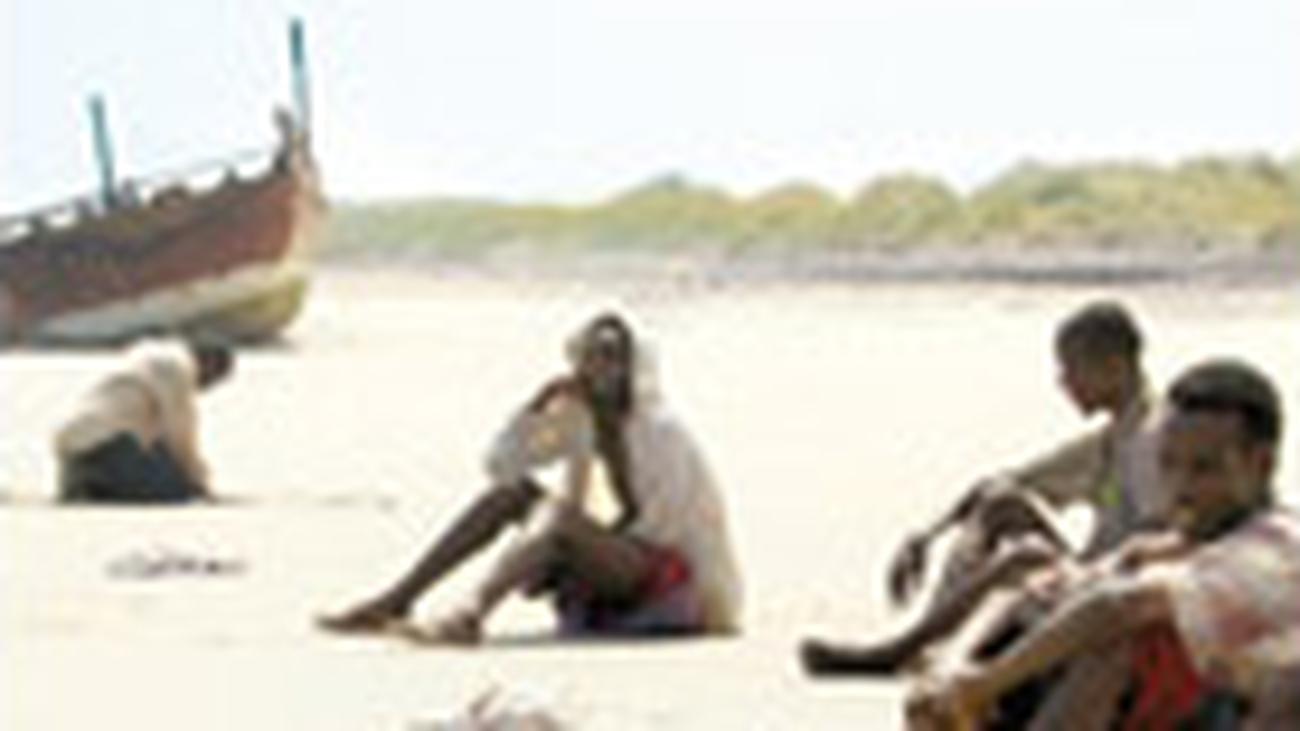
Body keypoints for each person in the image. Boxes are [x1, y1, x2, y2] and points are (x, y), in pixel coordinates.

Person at [912, 359, 1300, 730]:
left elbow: (1122, 604)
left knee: (1121, 644)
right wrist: (955, 666)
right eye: (1169, 464)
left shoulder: (1274, 549)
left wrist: (983, 685)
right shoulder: (1191, 538)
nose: (1181, 488)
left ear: (1262, 465)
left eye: (1204, 470)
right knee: (1045, 610)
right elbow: (1036, 588)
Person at [319, 312, 742, 642]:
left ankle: (469, 613)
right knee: (512, 496)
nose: (600, 367)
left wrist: (564, 550)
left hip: (668, 577)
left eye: (612, 356)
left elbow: (661, 531)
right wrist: (534, 410)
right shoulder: (580, 421)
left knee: (556, 516)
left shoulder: (659, 430)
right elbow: (501, 466)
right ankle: (397, 600)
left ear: (632, 367)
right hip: (613, 554)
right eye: (591, 356)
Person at [803, 301, 1171, 675]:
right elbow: (1001, 483)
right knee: (1002, 504)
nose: (1064, 384)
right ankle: (931, 636)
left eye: (1072, 370)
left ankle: (901, 652)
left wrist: (1086, 573)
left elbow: (1157, 538)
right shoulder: (1113, 437)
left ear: (1113, 367)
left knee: (1026, 555)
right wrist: (926, 536)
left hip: (1115, 585)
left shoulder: (1153, 440)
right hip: (1092, 570)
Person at [55, 338, 234, 503]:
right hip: (105, 444)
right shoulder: (176, 369)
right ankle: (102, 486)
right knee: (176, 492)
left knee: (161, 461)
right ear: (209, 364)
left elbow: (158, 440)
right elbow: (180, 438)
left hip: (73, 448)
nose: (205, 388)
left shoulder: (145, 357)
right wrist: (200, 484)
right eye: (213, 380)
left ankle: (91, 485)